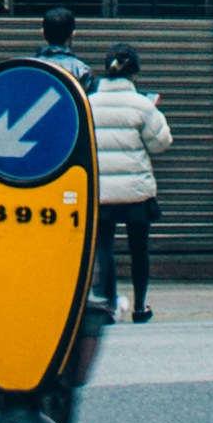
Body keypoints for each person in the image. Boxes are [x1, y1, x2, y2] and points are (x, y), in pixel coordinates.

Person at [89, 44, 174, 322]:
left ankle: (103, 305)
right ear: (134, 72)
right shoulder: (142, 105)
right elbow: (161, 143)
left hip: (100, 192)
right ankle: (139, 307)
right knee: (139, 250)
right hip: (136, 191)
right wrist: (154, 110)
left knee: (101, 248)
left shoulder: (87, 103)